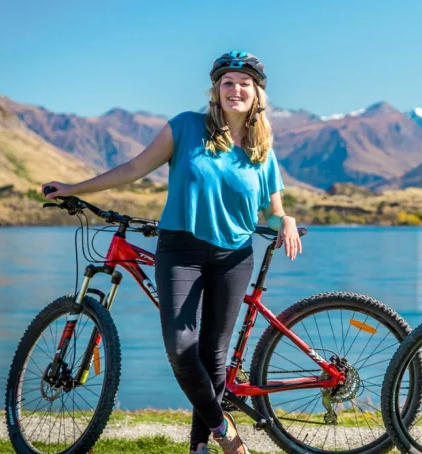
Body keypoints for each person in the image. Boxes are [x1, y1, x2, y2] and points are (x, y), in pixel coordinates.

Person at [43, 51, 302, 454]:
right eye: (228, 82)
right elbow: (132, 168)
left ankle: (198, 446)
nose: (235, 90)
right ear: (216, 90)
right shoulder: (185, 127)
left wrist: (284, 220)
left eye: (244, 84)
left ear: (257, 94)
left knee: (213, 355)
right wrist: (75, 188)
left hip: (235, 255)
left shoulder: (262, 150)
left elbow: (273, 210)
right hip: (181, 247)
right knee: (181, 347)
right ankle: (223, 431)